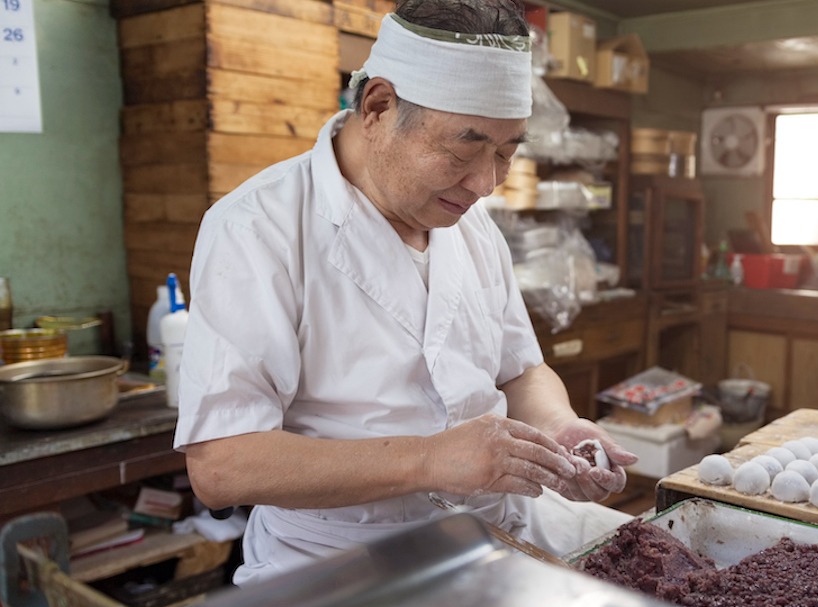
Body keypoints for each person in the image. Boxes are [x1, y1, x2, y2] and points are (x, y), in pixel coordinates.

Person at [172, 0, 638, 586]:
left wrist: (558, 428)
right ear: (378, 106)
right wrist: (431, 459)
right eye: (463, 150)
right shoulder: (256, 227)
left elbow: (521, 372)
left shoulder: (471, 225)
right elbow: (221, 464)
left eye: (506, 153)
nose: (485, 184)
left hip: (502, 526)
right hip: (344, 559)